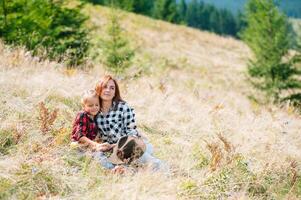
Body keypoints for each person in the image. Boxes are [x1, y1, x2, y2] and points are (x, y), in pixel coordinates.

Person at [94, 75, 163, 171]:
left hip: (128, 144)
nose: (108, 90)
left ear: (115, 93)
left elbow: (131, 131)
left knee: (149, 162)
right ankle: (121, 170)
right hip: (109, 149)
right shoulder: (94, 110)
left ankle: (162, 169)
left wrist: (119, 146)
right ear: (99, 89)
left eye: (112, 88)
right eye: (105, 86)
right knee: (97, 158)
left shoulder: (123, 107)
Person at [70, 90, 125, 173]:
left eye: (97, 105)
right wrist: (96, 145)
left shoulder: (95, 116)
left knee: (110, 150)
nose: (94, 107)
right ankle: (110, 170)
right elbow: (79, 136)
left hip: (90, 146)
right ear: (83, 106)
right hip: (79, 148)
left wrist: (107, 145)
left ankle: (118, 167)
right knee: (98, 155)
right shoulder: (82, 115)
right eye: (90, 105)